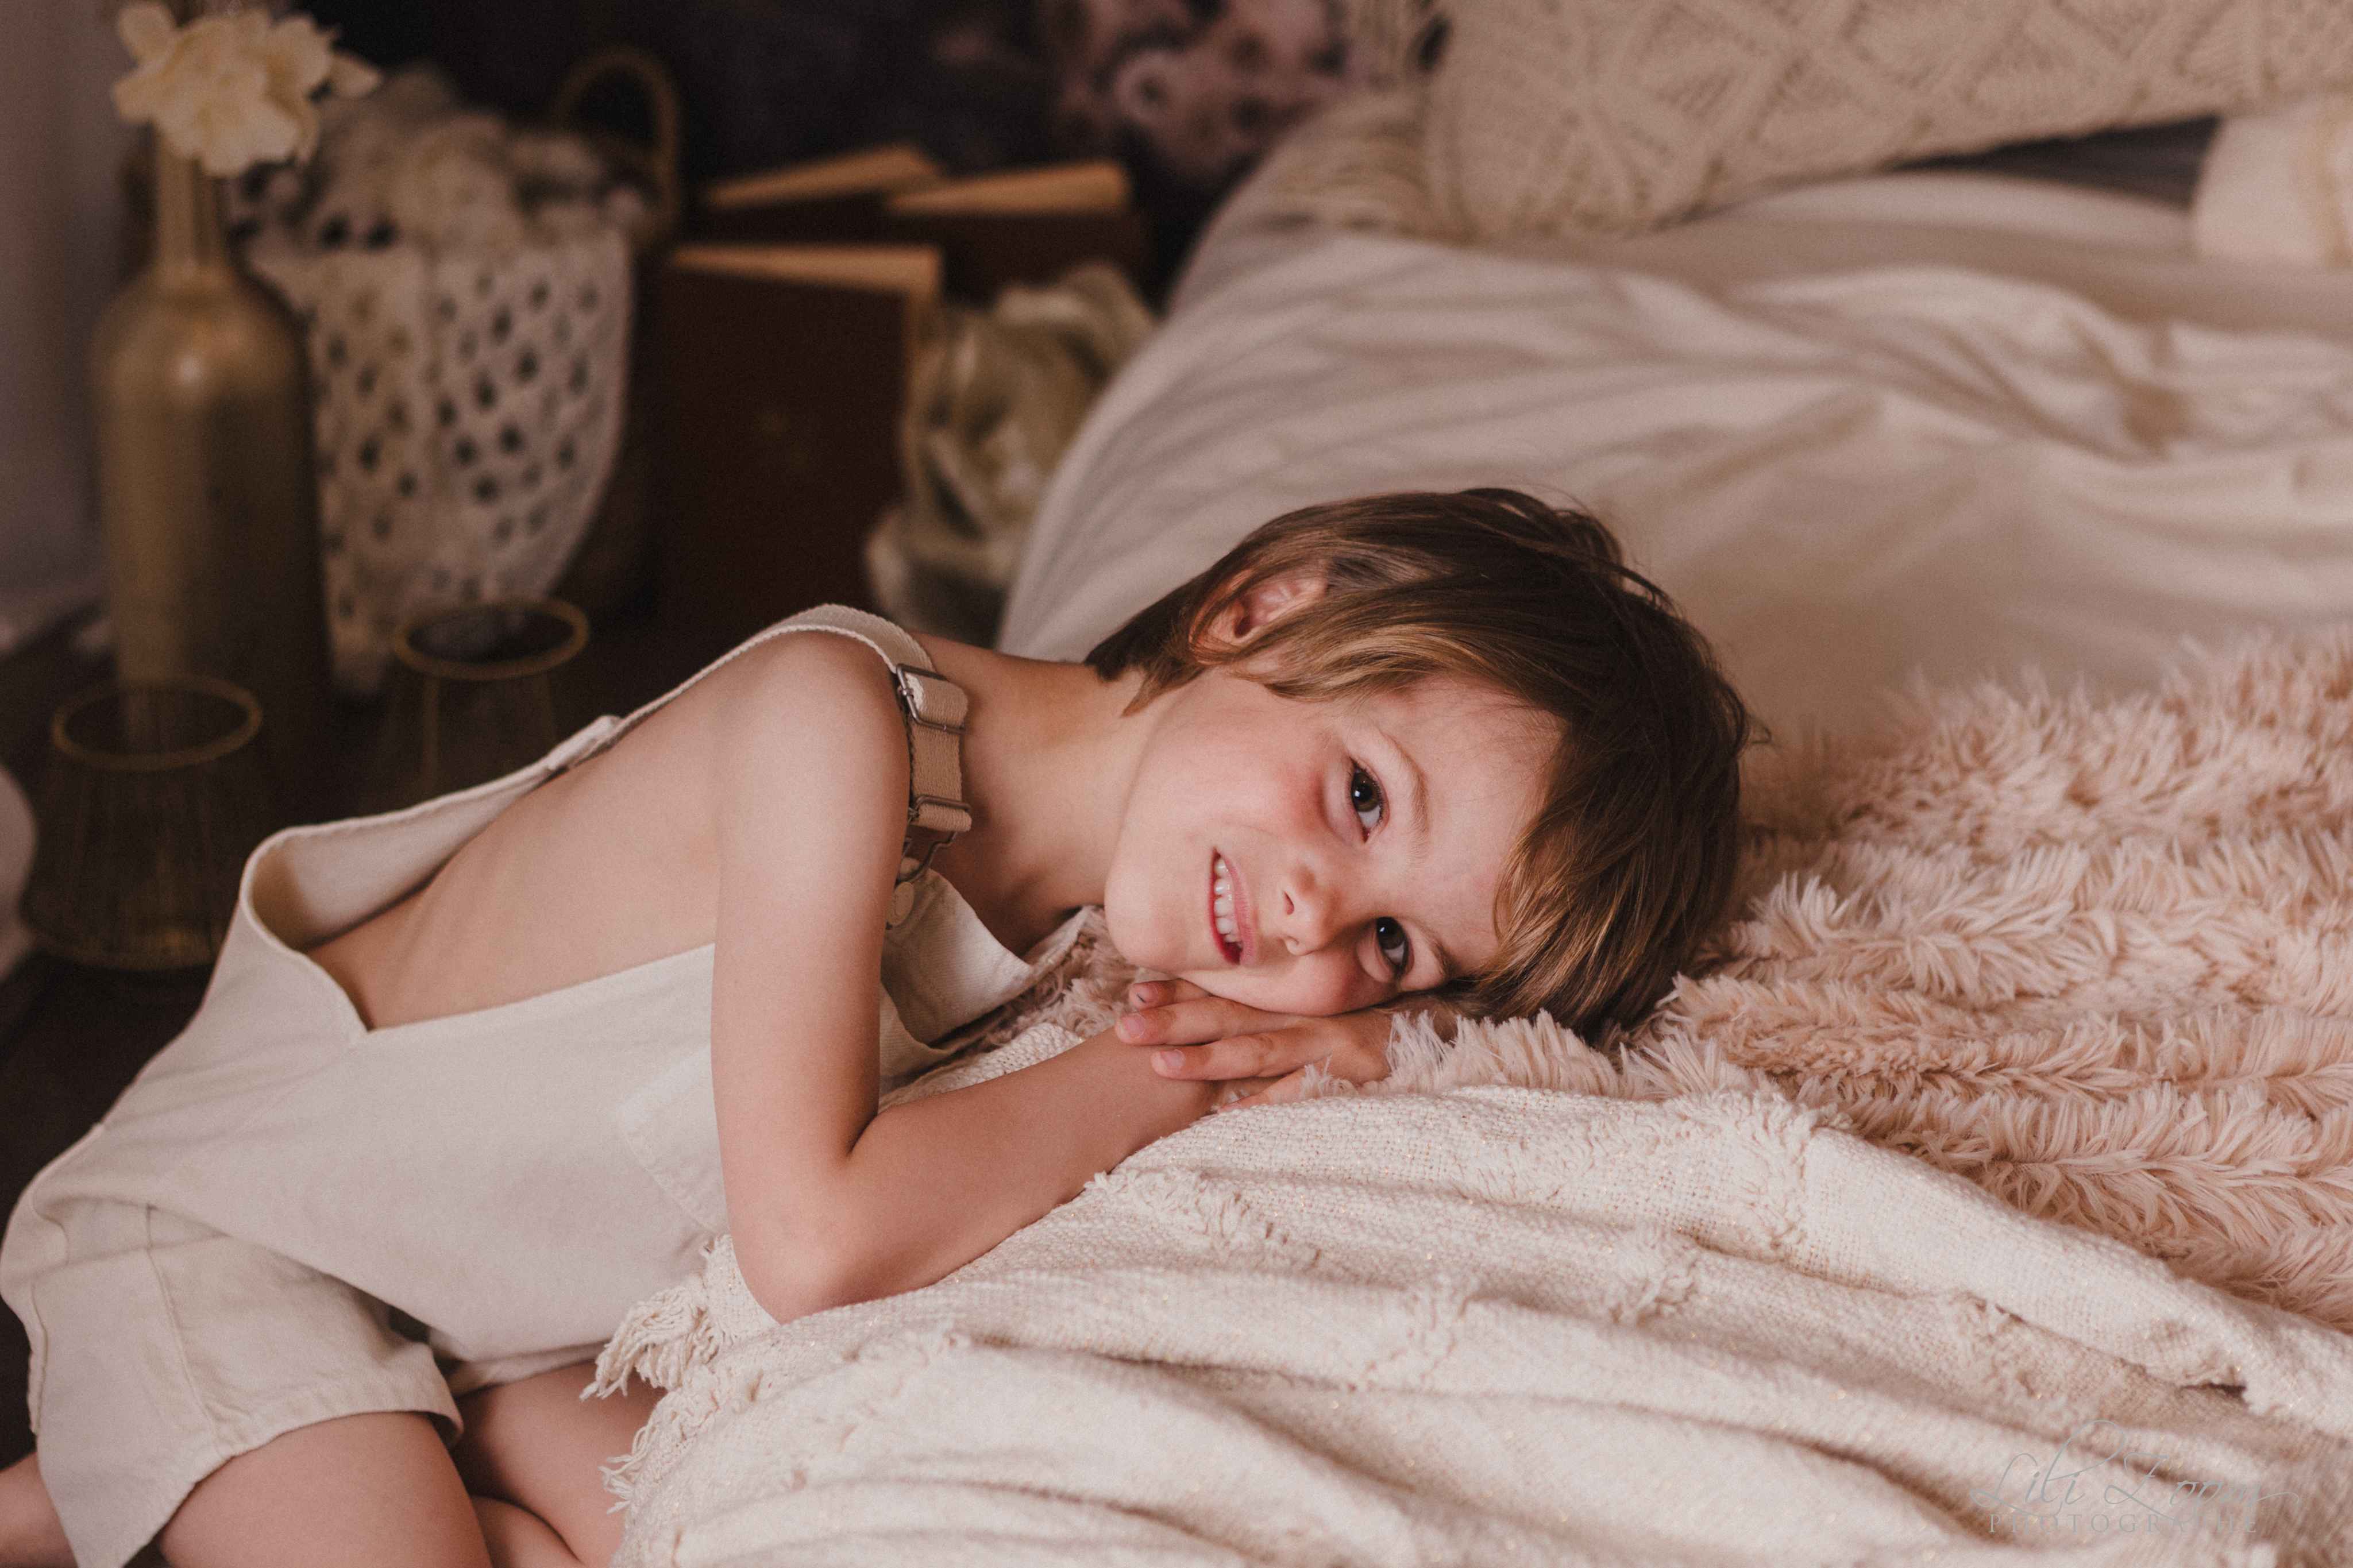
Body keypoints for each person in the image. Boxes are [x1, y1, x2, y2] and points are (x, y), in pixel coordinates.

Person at [0, 487, 1753, 1568]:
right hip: (239, 1233)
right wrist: (1167, 1081)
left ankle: (137, 1479)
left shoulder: (1088, 919)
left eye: (1395, 950)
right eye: (1360, 797)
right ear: (1262, 609)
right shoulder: (839, 721)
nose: (1312, 918)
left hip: (489, 1329)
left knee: (732, 1531)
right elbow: (818, 1237)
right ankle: (177, 1447)